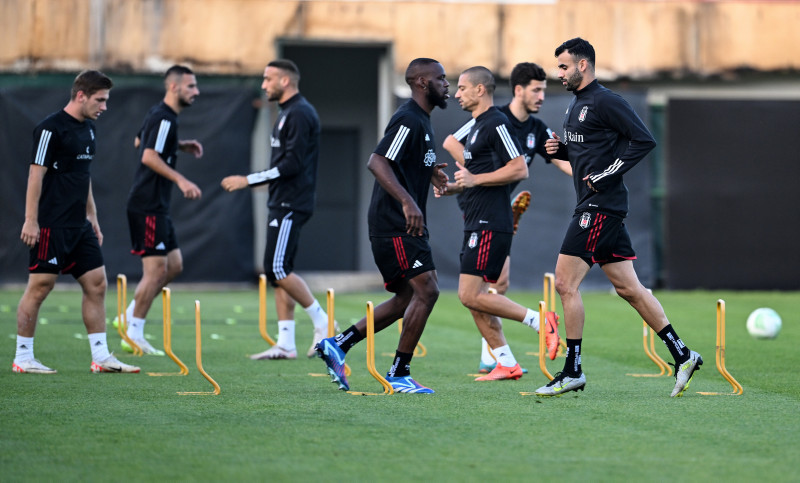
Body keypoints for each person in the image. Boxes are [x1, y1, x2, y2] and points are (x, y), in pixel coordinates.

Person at [534, 37, 702, 397]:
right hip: (598, 205)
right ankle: (683, 354)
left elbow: (643, 140)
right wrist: (560, 150)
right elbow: (587, 153)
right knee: (629, 289)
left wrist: (608, 175)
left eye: (564, 66)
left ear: (583, 65)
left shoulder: (607, 100)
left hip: (600, 206)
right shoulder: (576, 104)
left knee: (565, 283)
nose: (558, 73)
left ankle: (572, 370)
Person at [314, 58, 450, 394]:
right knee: (427, 290)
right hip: (395, 223)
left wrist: (430, 171)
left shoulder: (423, 122)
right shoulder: (408, 118)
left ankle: (339, 344)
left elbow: (403, 161)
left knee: (408, 296)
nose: (447, 84)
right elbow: (377, 161)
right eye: (441, 78)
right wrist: (407, 200)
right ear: (421, 82)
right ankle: (399, 373)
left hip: (404, 224)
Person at [442, 62, 571, 372]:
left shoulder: (516, 126)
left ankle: (512, 348)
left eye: (543, 90)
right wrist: (462, 182)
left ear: (479, 90)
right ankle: (502, 358)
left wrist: (589, 177)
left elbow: (534, 166)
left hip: (490, 213)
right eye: (536, 89)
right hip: (479, 209)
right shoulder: (487, 120)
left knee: (489, 289)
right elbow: (451, 143)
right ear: (518, 90)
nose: (541, 96)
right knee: (477, 293)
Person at [13, 70, 140, 374]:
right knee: (41, 287)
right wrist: (31, 220)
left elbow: (84, 177)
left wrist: (92, 218)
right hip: (51, 224)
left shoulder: (90, 130)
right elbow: (35, 174)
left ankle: (101, 357)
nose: (104, 106)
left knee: (97, 284)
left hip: (79, 225)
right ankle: (23, 357)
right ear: (81, 95)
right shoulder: (49, 129)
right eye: (100, 99)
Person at [221, 59, 332, 360]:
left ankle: (324, 324)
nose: (263, 84)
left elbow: (291, 165)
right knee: (279, 271)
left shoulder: (299, 113)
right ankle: (286, 343)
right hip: (282, 200)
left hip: (291, 202)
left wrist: (248, 180)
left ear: (285, 81)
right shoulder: (287, 113)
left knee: (277, 268)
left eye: (268, 78)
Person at [121, 65, 204, 356]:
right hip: (148, 205)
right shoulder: (164, 117)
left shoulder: (161, 116)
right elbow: (147, 155)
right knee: (156, 272)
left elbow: (138, 140)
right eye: (191, 86)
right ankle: (134, 332)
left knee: (175, 266)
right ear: (174, 87)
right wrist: (181, 179)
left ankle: (128, 315)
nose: (196, 91)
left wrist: (179, 146)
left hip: (157, 206)